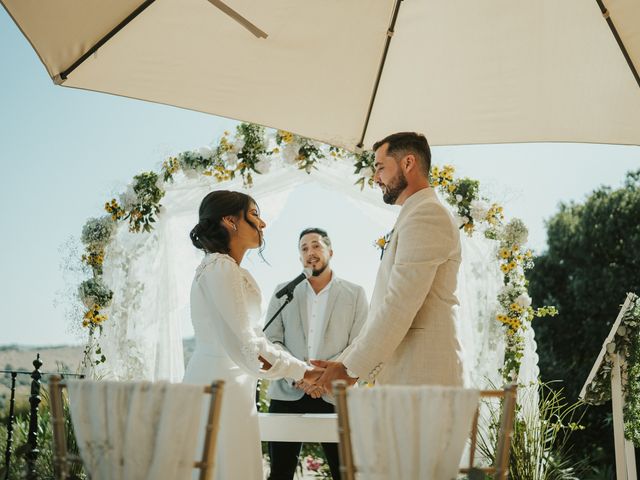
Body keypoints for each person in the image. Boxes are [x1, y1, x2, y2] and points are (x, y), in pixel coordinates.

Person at [183, 190, 323, 480]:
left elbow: (253, 338)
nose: (263, 223)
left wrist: (298, 370)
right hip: (219, 385)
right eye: (255, 214)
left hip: (232, 382)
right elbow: (249, 344)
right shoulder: (220, 267)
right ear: (230, 221)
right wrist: (303, 371)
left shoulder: (226, 268)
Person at [312, 132, 464, 390]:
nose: (375, 177)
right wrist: (341, 363)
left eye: (380, 167)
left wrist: (349, 370)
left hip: (423, 376)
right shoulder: (414, 214)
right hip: (405, 377)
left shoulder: (427, 214)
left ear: (408, 163)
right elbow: (382, 309)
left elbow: (400, 304)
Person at [264, 228, 368, 480]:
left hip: (336, 396)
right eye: (304, 248)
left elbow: (361, 343)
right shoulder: (282, 292)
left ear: (330, 252)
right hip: (288, 393)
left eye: (316, 246)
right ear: (300, 258)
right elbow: (270, 340)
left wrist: (323, 378)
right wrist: (297, 375)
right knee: (280, 474)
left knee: (346, 473)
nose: (310, 252)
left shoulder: (355, 294)